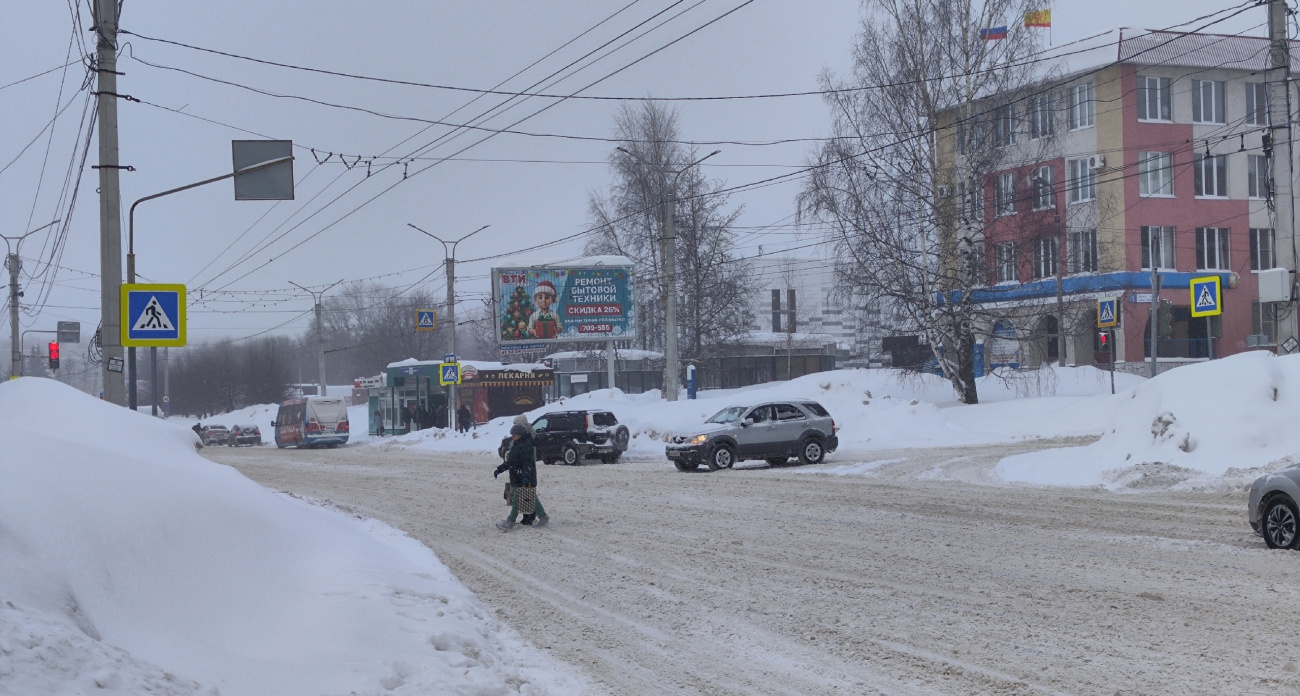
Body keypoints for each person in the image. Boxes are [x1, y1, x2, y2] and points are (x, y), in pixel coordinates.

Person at [494, 423, 548, 530]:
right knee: (531, 498)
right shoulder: (517, 444)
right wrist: (499, 469)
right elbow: (511, 461)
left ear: (521, 434)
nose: (513, 437)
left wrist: (526, 476)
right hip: (518, 476)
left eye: (515, 435)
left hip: (523, 476)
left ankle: (510, 521)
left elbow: (528, 463)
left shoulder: (526, 445)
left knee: (517, 498)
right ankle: (543, 517)